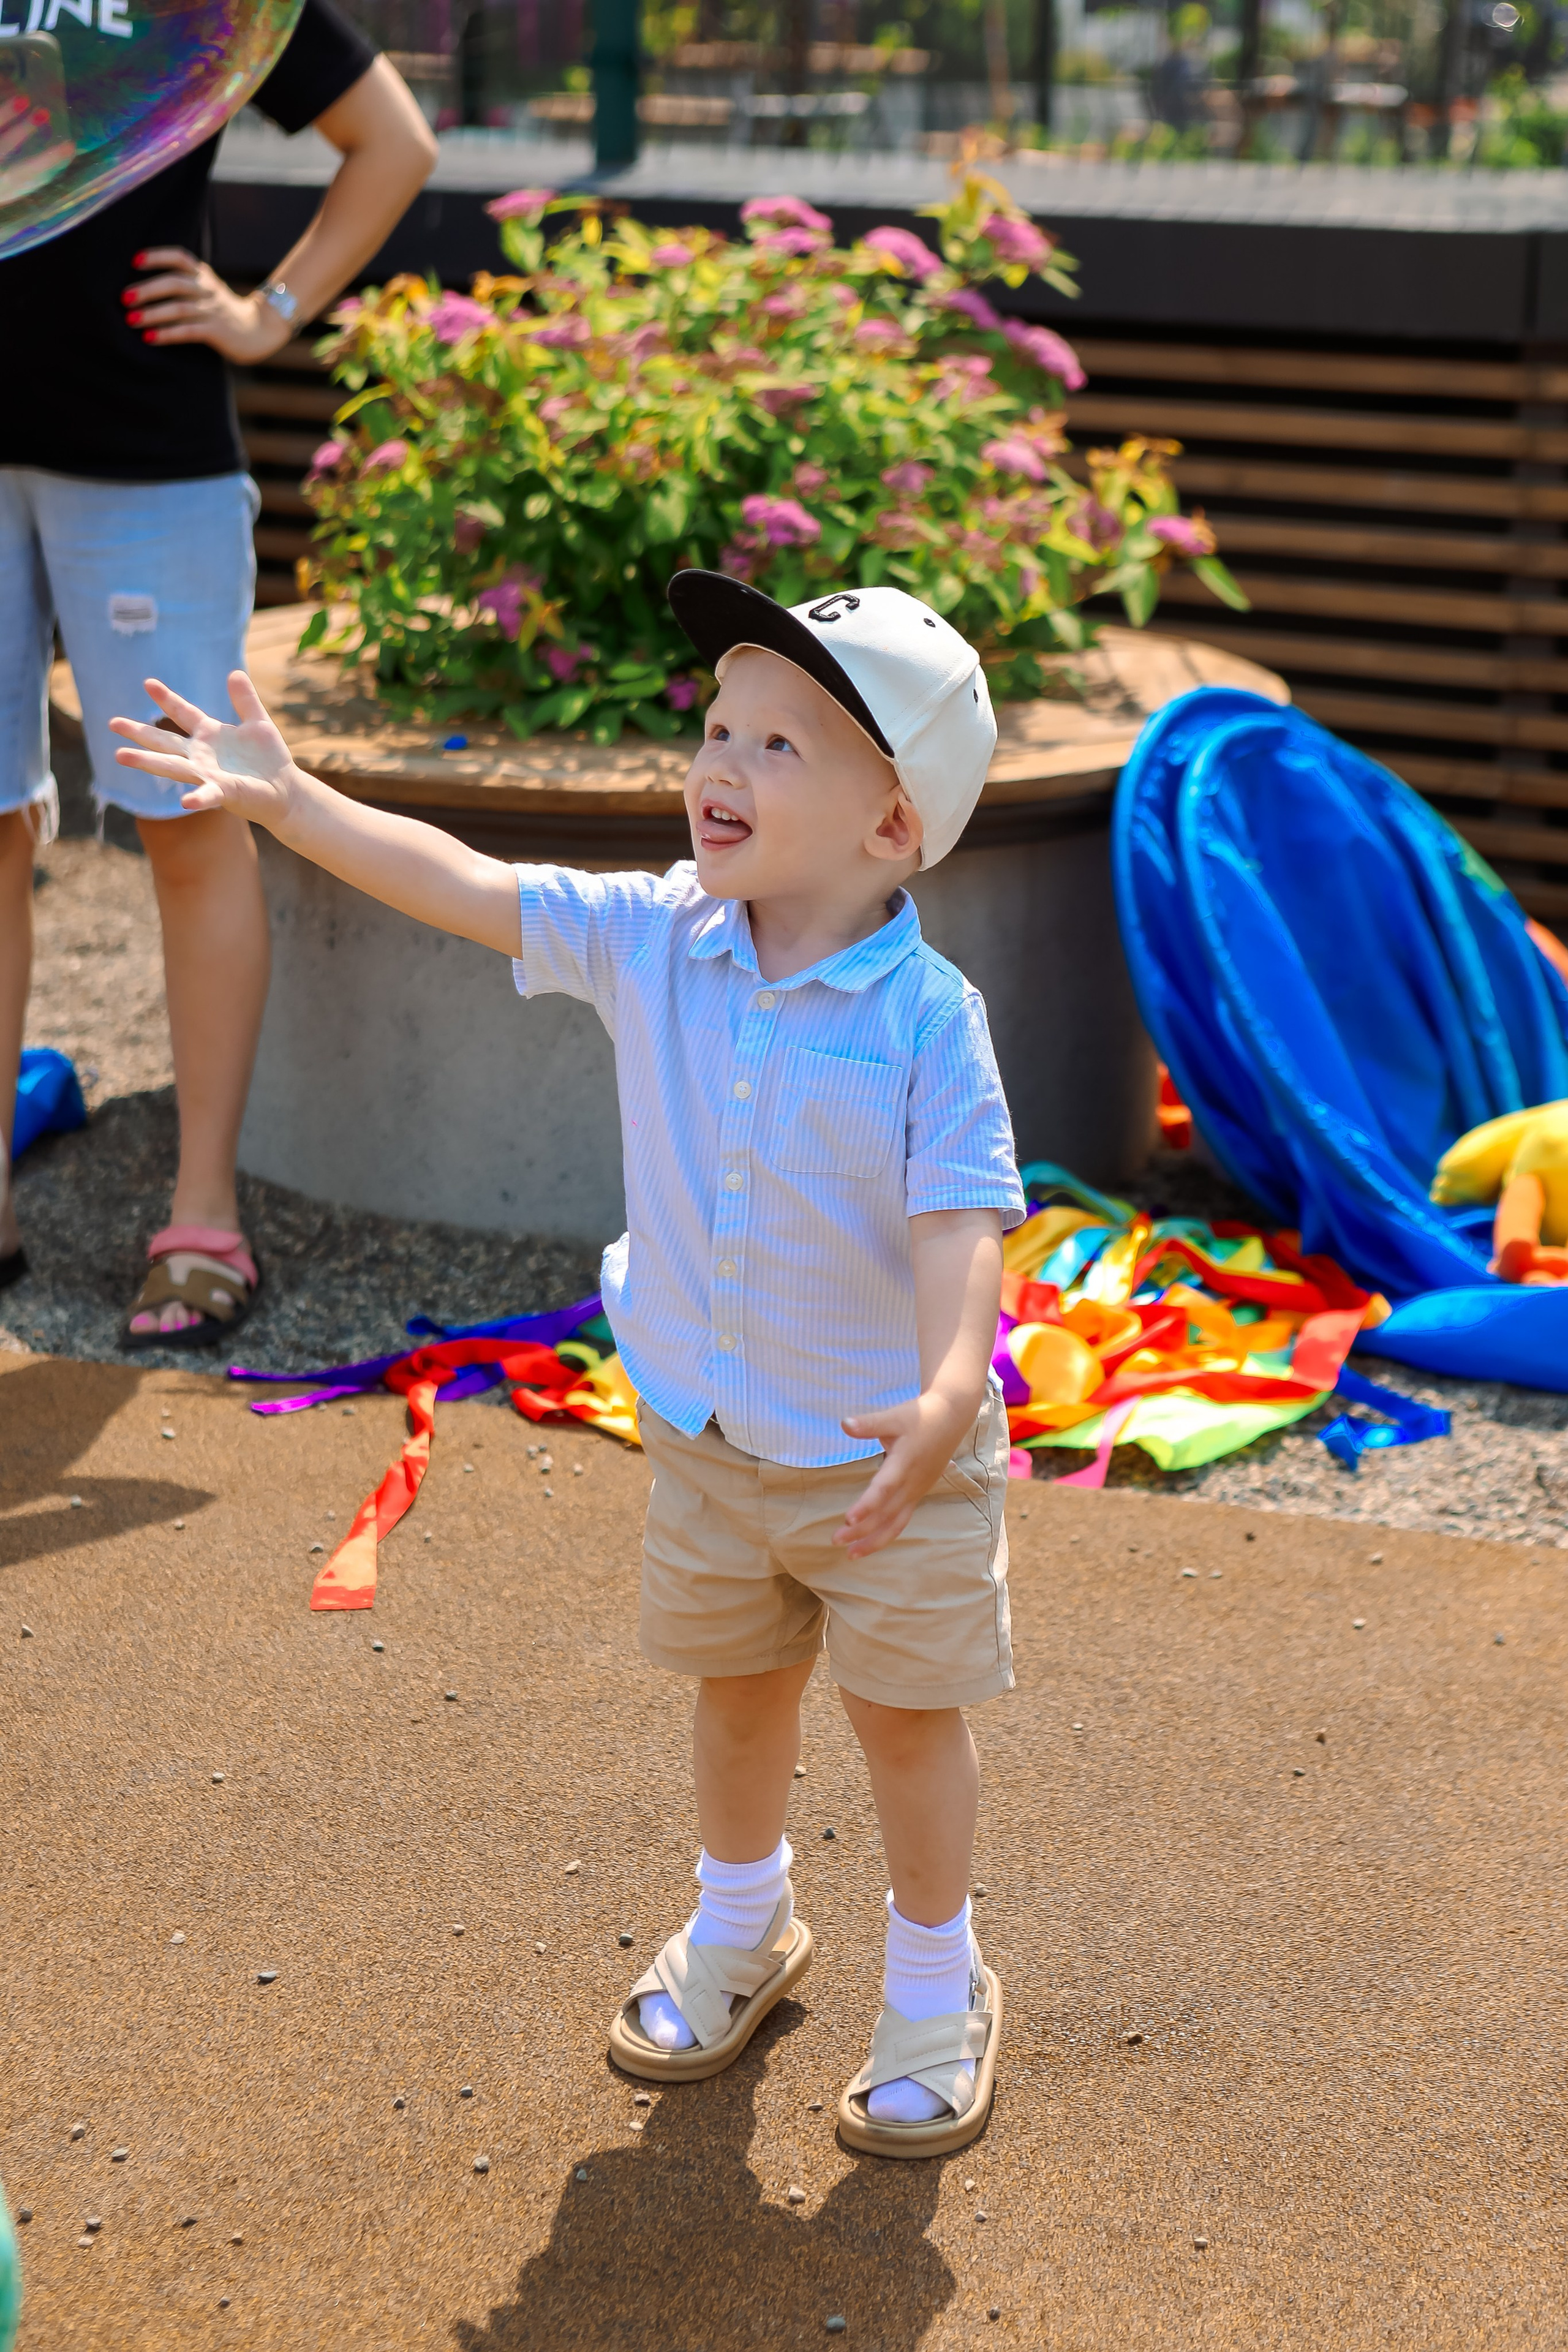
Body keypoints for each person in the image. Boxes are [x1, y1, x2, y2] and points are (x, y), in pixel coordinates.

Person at [109, 571, 1025, 2158]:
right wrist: (287, 798)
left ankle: (938, 1983)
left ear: (894, 828)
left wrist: (951, 1393)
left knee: (903, 1719)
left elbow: (965, 1228)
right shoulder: (656, 939)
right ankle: (744, 1924)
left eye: (781, 745)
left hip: (895, 1455)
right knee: (735, 1694)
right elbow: (465, 881)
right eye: (719, 727)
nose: (720, 764)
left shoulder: (931, 1023)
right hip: (709, 1433)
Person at [0, 0, 435, 1333]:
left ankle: (203, 1221)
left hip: (151, 459)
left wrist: (271, 312)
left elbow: (392, 143)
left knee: (193, 820)